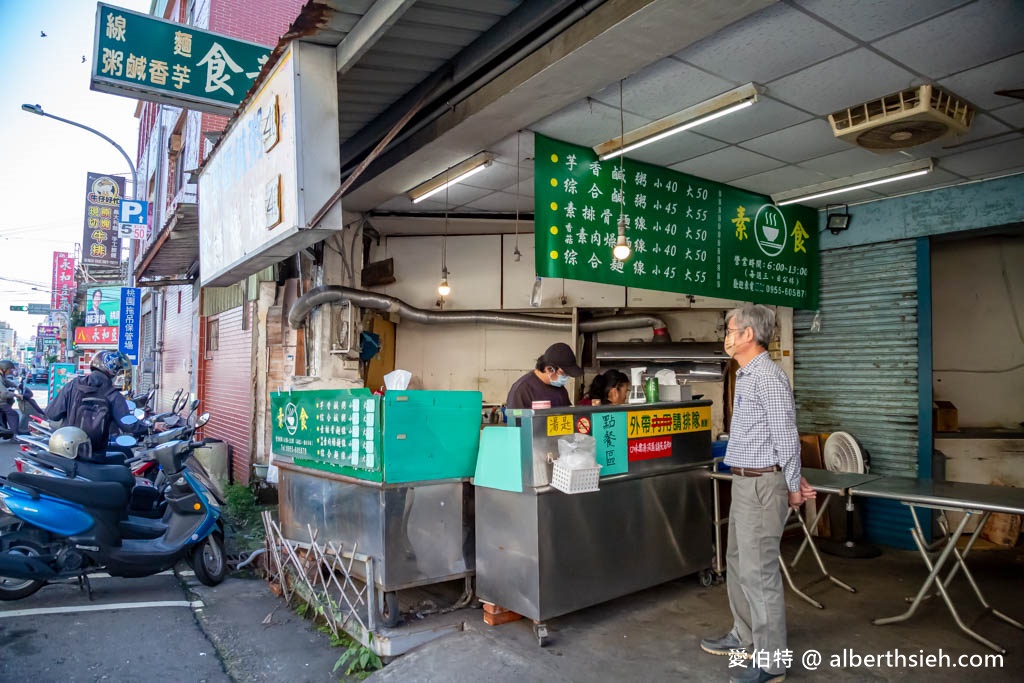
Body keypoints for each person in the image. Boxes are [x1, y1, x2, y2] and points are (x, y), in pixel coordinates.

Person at [700, 304, 815, 683]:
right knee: (736, 561)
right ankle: (744, 634)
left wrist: (792, 484)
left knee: (759, 573)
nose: (727, 336)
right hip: (745, 482)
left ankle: (771, 662)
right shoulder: (747, 375)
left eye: (730, 329)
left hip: (765, 484)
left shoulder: (767, 377)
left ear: (748, 334)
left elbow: (785, 437)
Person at [45, 350, 152, 460]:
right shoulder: (112, 395)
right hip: (94, 456)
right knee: (123, 466)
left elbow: (51, 413)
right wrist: (150, 428)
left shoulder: (73, 385)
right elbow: (129, 425)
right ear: (112, 371)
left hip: (66, 454)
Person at [505, 342, 583, 409]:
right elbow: (516, 422)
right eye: (563, 373)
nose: (565, 377)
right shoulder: (522, 390)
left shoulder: (560, 389)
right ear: (549, 369)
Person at [0, 360, 20, 435]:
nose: (11, 371)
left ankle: (5, 432)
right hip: (1, 402)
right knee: (13, 414)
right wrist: (16, 395)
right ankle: (16, 436)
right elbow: (4, 394)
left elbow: (7, 382)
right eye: (9, 369)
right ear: (4, 369)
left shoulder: (2, 377)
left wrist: (16, 386)